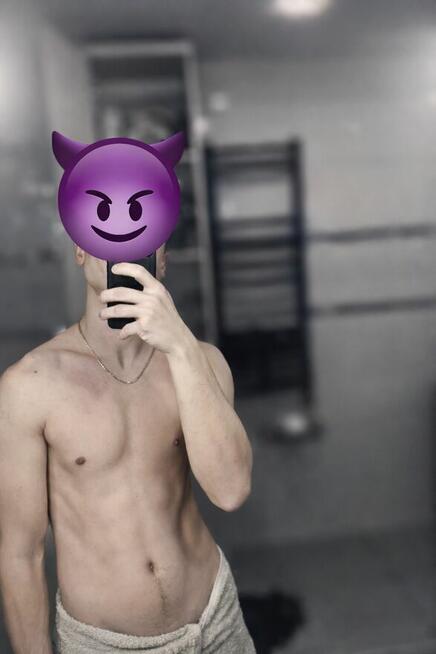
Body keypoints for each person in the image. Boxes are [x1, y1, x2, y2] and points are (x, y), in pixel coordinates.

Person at [0, 242, 256, 653]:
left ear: (163, 258)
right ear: (80, 252)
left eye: (142, 232)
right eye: (106, 230)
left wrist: (181, 347)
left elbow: (231, 491)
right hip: (103, 643)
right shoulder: (30, 385)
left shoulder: (201, 361)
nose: (123, 245)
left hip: (216, 621)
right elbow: (20, 555)